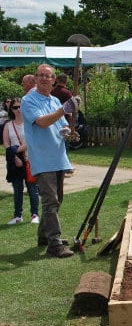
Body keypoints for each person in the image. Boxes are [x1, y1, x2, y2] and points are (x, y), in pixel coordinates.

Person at [21, 64, 78, 258]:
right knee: (50, 201)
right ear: (35, 78)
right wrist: (64, 109)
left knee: (57, 200)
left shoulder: (54, 100)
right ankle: (55, 244)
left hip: (58, 157)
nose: (45, 79)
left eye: (48, 76)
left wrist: (69, 133)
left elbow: (61, 127)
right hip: (42, 158)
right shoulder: (28, 100)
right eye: (41, 75)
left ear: (54, 79)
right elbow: (43, 122)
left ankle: (44, 236)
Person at [3, 97, 40, 225]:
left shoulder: (30, 123)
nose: (18, 109)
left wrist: (18, 150)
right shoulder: (8, 125)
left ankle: (35, 214)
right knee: (17, 189)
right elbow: (6, 144)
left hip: (29, 158)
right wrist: (15, 157)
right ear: (11, 109)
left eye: (20, 107)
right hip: (15, 160)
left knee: (32, 188)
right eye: (15, 107)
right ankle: (17, 215)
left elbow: (32, 140)